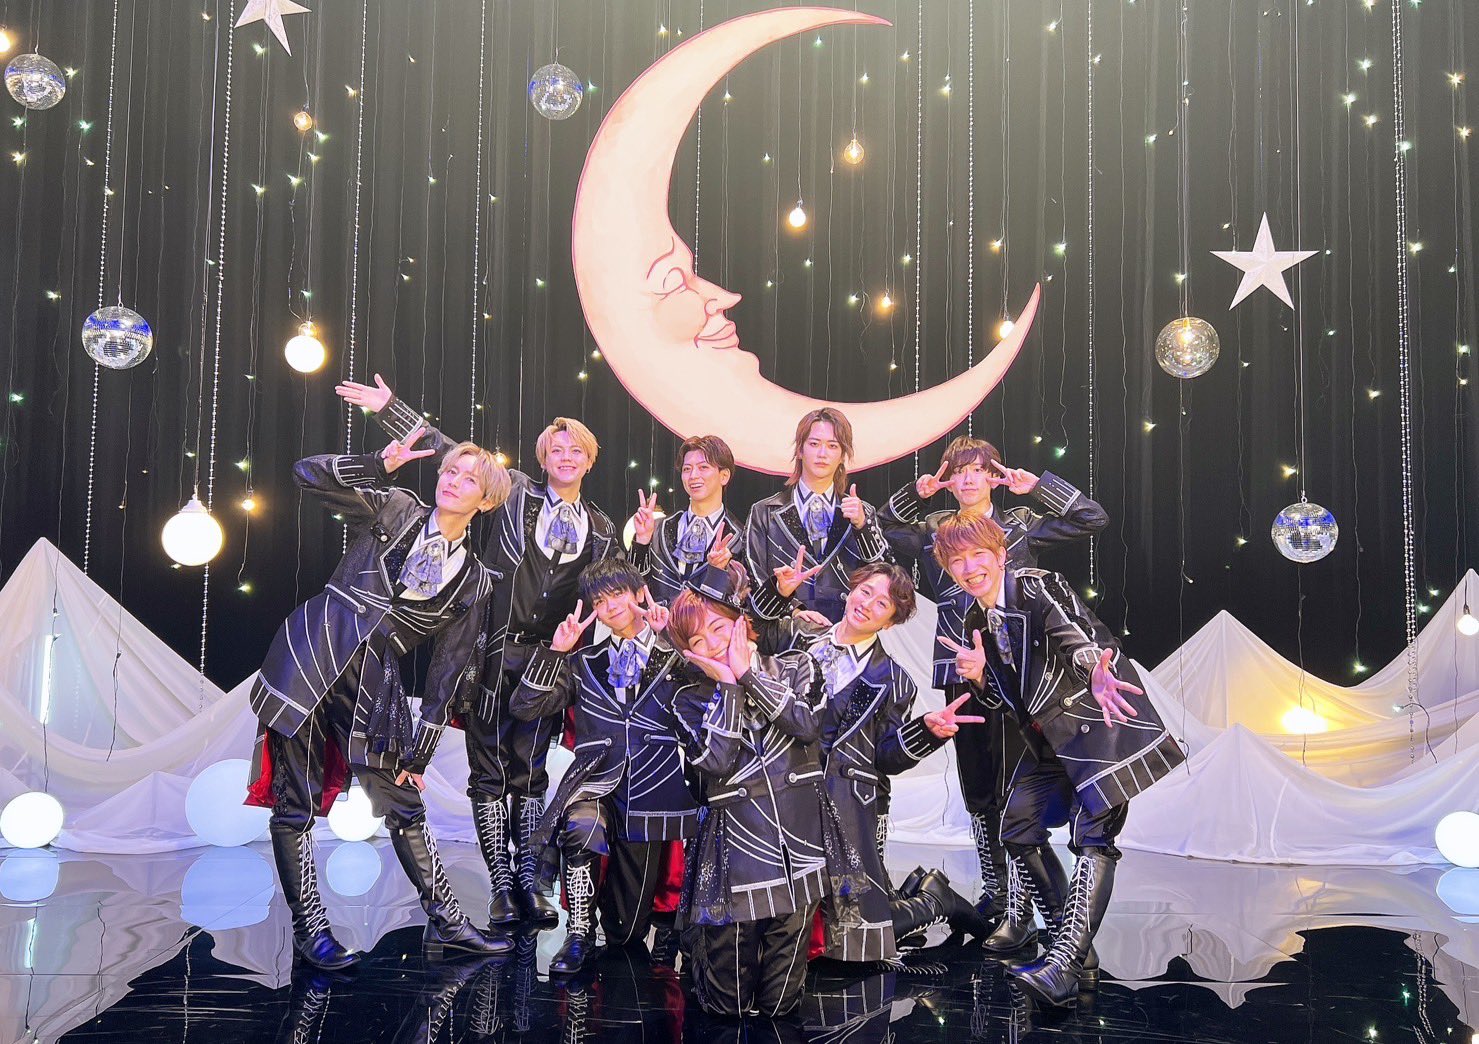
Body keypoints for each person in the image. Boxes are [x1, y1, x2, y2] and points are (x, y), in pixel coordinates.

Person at [336, 375, 619, 929]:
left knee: (530, 775)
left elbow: (613, 590)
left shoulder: (604, 529)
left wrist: (648, 546)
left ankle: (532, 880)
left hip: (548, 662)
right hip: (490, 654)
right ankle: (501, 885)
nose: (565, 457)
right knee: (488, 773)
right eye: (556, 449)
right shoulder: (513, 493)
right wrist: (390, 407)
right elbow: (449, 450)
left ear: (590, 461)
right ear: (543, 458)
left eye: (576, 451)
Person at [244, 431, 512, 968]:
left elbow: (448, 670)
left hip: (375, 682)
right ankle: (311, 930)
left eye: (469, 480)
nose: (453, 482)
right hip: (313, 649)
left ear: (486, 501)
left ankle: (449, 922)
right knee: (295, 801)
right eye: (450, 471)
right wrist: (375, 463)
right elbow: (305, 473)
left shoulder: (475, 581)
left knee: (404, 802)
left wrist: (421, 753)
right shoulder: (396, 508)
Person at [932, 513, 1184, 1007]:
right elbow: (1005, 701)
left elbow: (1076, 636)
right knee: (1016, 829)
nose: (970, 567)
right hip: (1045, 740)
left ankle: (1064, 963)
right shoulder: (976, 620)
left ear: (1001, 554)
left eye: (979, 554)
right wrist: (980, 677)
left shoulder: (1035, 585)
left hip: (1097, 726)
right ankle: (1077, 956)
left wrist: (1095, 671)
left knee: (1093, 837)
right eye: (957, 560)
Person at [879, 436, 1107, 927]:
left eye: (978, 469)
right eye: (957, 470)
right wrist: (916, 493)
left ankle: (1022, 909)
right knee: (978, 784)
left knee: (1014, 784)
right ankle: (997, 894)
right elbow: (881, 528)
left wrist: (1039, 486)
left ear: (993, 476)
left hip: (1018, 667)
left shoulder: (1017, 524)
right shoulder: (935, 528)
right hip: (959, 665)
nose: (967, 479)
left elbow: (1092, 519)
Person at [667, 564, 862, 1018]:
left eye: (719, 627)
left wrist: (748, 675)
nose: (713, 643)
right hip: (735, 858)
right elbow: (716, 762)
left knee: (781, 1004)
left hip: (801, 850)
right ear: (689, 653)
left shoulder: (796, 666)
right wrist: (729, 687)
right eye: (699, 640)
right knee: (726, 1003)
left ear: (741, 621)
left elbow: (807, 725)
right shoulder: (687, 699)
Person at [509, 559, 697, 977]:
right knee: (581, 827)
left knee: (625, 932)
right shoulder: (584, 661)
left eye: (617, 594)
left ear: (639, 593)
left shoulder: (671, 655)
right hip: (593, 782)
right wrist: (556, 653)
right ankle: (578, 933)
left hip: (651, 789)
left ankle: (613, 930)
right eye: (599, 601)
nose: (609, 607)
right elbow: (524, 707)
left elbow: (707, 691)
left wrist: (669, 638)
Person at [803, 562, 990, 963]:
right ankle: (903, 894)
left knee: (852, 937)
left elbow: (885, 756)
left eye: (882, 603)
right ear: (851, 589)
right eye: (865, 591)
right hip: (792, 798)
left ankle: (934, 900)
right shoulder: (802, 641)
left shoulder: (893, 678)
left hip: (855, 806)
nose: (867, 604)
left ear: (890, 622)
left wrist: (926, 732)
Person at [744, 408, 890, 626]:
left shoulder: (862, 512)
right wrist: (794, 610)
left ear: (843, 456)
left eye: (833, 446)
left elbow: (884, 577)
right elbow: (753, 575)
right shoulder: (765, 511)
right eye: (814, 444)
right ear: (800, 450)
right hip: (783, 630)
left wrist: (862, 527)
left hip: (845, 630)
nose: (822, 453)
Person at [628, 434, 744, 605]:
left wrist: (717, 572)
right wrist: (642, 542)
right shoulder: (659, 528)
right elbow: (632, 589)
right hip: (660, 621)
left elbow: (740, 603)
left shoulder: (740, 538)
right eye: (687, 469)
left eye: (703, 467)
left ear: (724, 476)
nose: (693, 475)